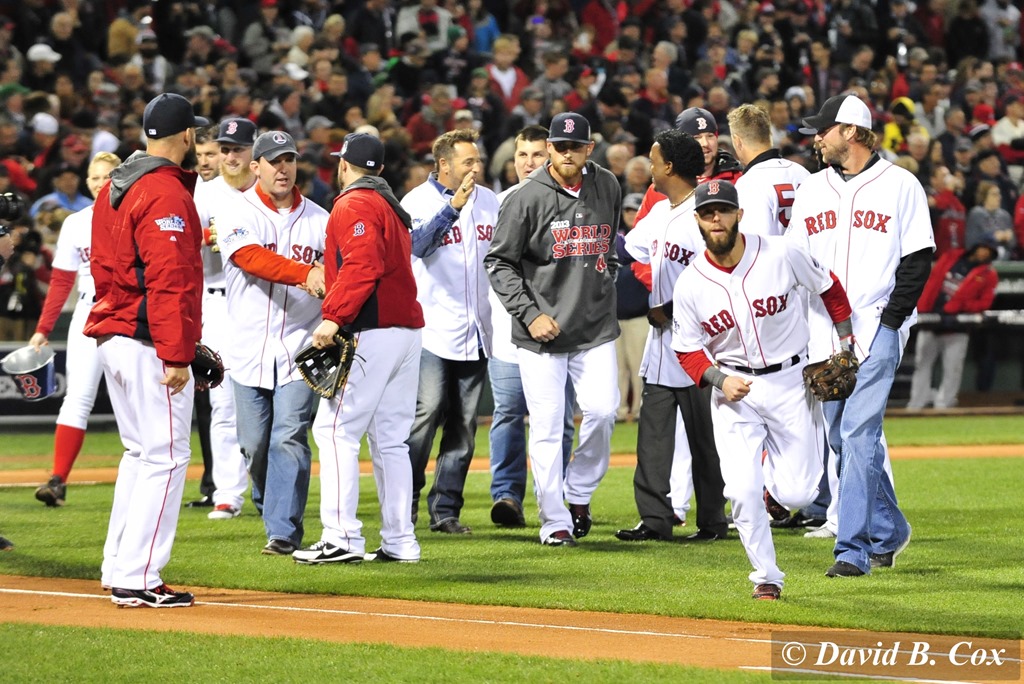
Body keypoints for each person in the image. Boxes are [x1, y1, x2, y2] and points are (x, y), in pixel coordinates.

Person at [673, 180, 855, 600]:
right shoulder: (691, 284)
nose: (716, 219)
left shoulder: (781, 252)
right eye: (707, 213)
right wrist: (719, 380)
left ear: (739, 214)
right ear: (697, 220)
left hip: (790, 382)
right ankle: (766, 576)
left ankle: (772, 486)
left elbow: (828, 287)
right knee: (740, 491)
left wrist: (846, 343)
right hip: (734, 389)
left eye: (723, 210)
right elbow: (686, 350)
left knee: (799, 493)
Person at [790, 94, 933, 577]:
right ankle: (889, 530)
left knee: (857, 433)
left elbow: (917, 260)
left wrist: (891, 323)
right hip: (823, 332)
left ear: (850, 131)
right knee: (839, 437)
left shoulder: (900, 184)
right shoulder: (812, 189)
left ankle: (852, 550)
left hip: (877, 326)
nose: (817, 138)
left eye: (824, 129)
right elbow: (794, 260)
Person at [83, 93, 209, 608]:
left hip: (115, 331)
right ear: (187, 135)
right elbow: (169, 278)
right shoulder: (164, 191)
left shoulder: (116, 186)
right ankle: (139, 577)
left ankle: (119, 564)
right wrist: (177, 353)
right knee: (168, 456)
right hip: (145, 340)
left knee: (140, 453)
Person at [486, 112, 621, 547]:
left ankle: (577, 490)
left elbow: (609, 246)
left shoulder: (607, 185)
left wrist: (606, 280)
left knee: (604, 411)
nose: (566, 153)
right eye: (559, 147)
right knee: (546, 428)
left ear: (588, 148)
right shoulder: (525, 197)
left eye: (574, 147)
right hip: (540, 335)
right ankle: (554, 521)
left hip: (594, 327)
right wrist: (529, 314)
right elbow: (499, 262)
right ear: (550, 148)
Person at [294, 133, 425, 565]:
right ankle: (400, 541)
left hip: (373, 329)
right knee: (390, 441)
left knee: (334, 431)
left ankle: (342, 537)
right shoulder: (388, 202)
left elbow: (363, 263)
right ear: (380, 169)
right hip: (404, 331)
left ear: (344, 165)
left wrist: (334, 316)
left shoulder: (355, 203)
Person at [215, 130, 328, 556]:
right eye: (274, 160)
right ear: (255, 166)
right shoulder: (236, 210)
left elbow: (340, 273)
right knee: (254, 444)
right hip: (248, 349)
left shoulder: (321, 219)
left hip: (302, 346)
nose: (283, 168)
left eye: (289, 160)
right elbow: (251, 258)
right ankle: (270, 504)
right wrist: (306, 273)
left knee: (288, 436)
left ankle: (283, 530)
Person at [616, 130, 729, 544]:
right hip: (662, 345)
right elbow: (625, 250)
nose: (649, 166)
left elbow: (720, 278)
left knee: (705, 442)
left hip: (702, 347)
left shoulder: (705, 214)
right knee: (653, 439)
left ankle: (713, 522)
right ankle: (654, 519)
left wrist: (672, 309)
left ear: (669, 166)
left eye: (653, 158)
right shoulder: (661, 211)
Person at [401, 129, 499, 535]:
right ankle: (402, 504)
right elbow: (417, 246)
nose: (476, 167)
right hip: (432, 329)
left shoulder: (490, 201)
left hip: (478, 329)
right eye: (467, 161)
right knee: (424, 416)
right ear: (444, 165)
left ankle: (445, 511)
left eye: (477, 160)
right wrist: (452, 208)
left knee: (464, 424)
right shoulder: (416, 201)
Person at [488, 124, 576, 528]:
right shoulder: (496, 203)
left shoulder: (571, 203)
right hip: (508, 333)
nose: (528, 163)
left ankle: (556, 496)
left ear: (552, 155)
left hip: (559, 333)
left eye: (537, 154)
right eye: (521, 155)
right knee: (508, 414)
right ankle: (507, 496)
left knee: (559, 419)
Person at [29, 152, 121, 508]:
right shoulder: (76, 222)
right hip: (86, 310)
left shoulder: (137, 214)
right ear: (87, 182)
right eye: (95, 177)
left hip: (126, 313)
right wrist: (43, 328)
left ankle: (148, 473)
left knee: (133, 399)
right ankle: (57, 480)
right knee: (78, 397)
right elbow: (61, 281)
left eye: (108, 175)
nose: (101, 182)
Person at [191, 117, 258, 520]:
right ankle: (227, 493)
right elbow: (184, 245)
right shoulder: (204, 193)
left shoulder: (266, 189)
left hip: (261, 302)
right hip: (216, 302)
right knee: (221, 401)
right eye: (225, 149)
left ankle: (265, 487)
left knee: (265, 399)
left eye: (235, 150)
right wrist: (207, 238)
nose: (228, 157)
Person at [907, 239, 998, 410]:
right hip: (931, 320)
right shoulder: (951, 257)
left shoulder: (989, 274)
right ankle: (916, 404)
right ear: (975, 246)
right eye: (983, 248)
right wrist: (922, 307)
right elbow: (932, 282)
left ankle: (944, 406)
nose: (984, 253)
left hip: (957, 326)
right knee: (922, 365)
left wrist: (961, 306)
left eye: (989, 251)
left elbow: (984, 303)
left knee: (952, 369)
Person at [185, 124, 222, 508]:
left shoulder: (234, 192)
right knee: (206, 398)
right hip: (204, 300)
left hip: (235, 300)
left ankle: (230, 483)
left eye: (210, 154)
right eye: (200, 155)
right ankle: (214, 483)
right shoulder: (190, 190)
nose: (205, 161)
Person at [728, 104, 810, 236]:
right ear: (769, 134)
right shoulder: (803, 173)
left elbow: (757, 241)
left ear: (737, 142)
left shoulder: (749, 183)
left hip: (775, 249)